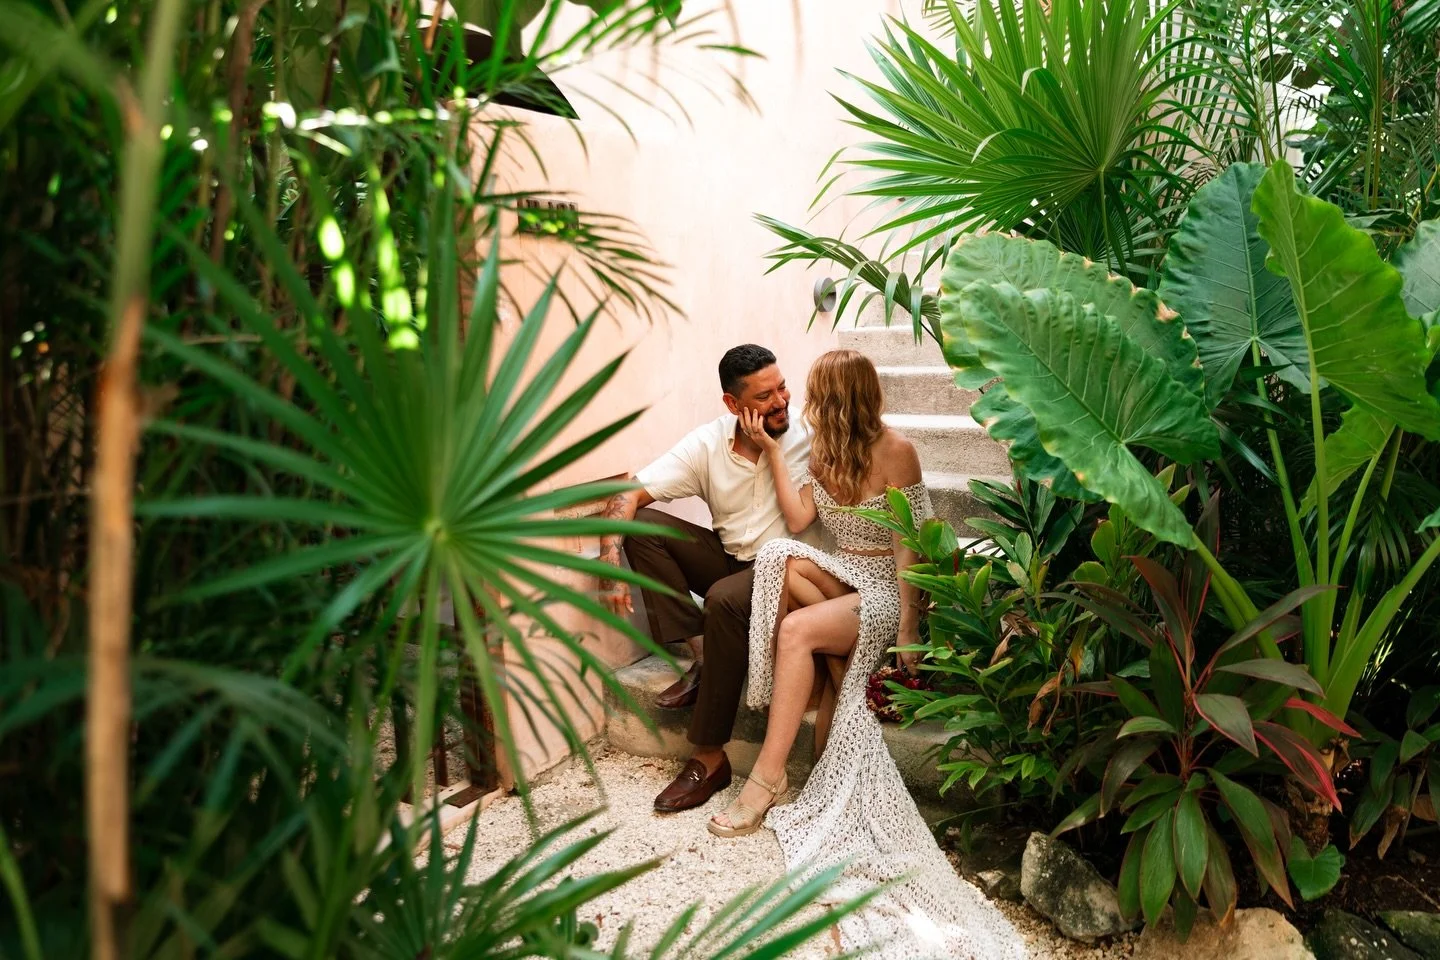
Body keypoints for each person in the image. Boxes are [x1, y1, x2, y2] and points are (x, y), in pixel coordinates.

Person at [708, 349, 1028, 960]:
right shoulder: (822, 449)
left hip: (887, 589)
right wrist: (776, 453)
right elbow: (800, 517)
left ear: (840, 397)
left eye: (812, 393)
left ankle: (766, 781)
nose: (799, 403)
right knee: (779, 556)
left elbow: (914, 546)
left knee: (799, 630)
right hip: (847, 574)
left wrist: (909, 625)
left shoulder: (897, 451)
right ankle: (821, 673)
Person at [596, 344, 815, 813]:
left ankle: (710, 758)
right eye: (764, 396)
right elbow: (629, 495)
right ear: (733, 405)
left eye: (781, 387)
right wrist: (610, 560)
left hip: (789, 572)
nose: (780, 401)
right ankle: (701, 655)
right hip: (732, 561)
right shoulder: (707, 444)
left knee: (722, 599)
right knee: (644, 529)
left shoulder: (808, 437)